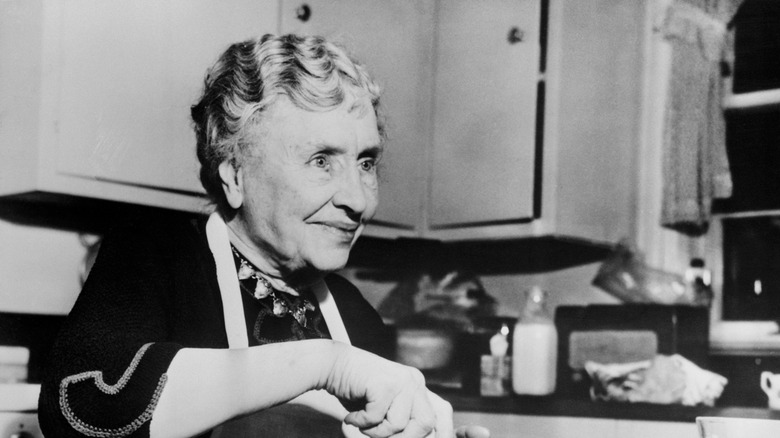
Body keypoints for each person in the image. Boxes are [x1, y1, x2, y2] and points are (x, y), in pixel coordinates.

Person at [37, 34, 489, 438]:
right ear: (235, 176)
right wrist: (327, 364)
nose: (357, 200)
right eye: (321, 161)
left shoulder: (356, 316)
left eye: (366, 163)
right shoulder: (157, 258)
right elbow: (81, 407)